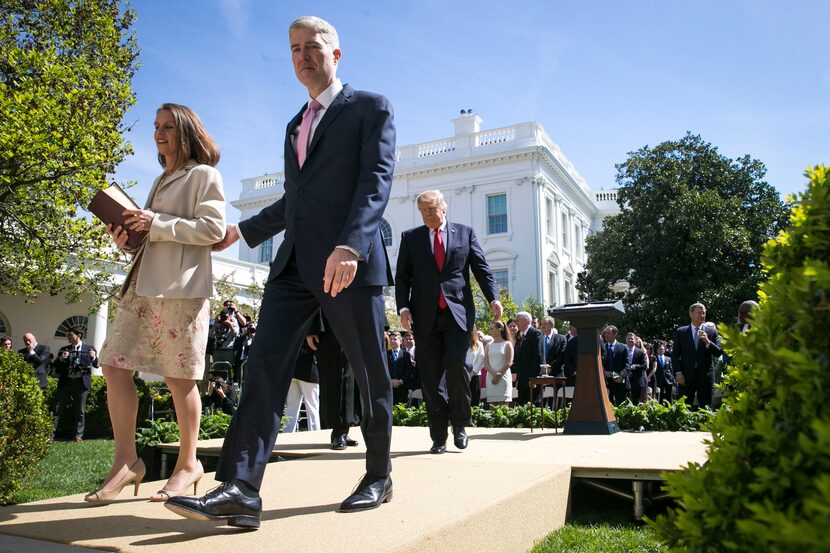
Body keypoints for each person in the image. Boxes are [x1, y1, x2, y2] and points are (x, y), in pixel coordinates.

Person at [166, 16, 397, 527]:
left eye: (312, 47)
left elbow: (376, 182)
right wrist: (243, 231)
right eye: (294, 50)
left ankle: (379, 475)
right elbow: (297, 200)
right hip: (293, 266)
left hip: (347, 265)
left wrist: (351, 246)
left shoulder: (369, 108)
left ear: (337, 54)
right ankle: (241, 489)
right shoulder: (296, 123)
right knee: (263, 366)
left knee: (369, 372)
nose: (302, 57)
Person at [94, 102, 225, 504]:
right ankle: (126, 461)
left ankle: (189, 464)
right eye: (156, 126)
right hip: (142, 284)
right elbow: (151, 233)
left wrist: (156, 223)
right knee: (113, 364)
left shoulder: (204, 175)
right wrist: (128, 238)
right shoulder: (160, 178)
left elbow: (213, 228)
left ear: (186, 131)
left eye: (168, 126)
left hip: (183, 289)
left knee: (178, 378)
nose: (159, 133)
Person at [395, 189, 502, 454]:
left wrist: (493, 299)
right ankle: (438, 435)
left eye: (433, 209)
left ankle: (461, 425)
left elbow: (481, 269)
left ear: (444, 208)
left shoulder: (464, 233)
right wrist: (403, 308)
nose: (429, 215)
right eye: (424, 211)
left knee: (456, 367)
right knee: (430, 378)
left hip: (458, 314)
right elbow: (402, 278)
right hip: (425, 316)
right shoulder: (411, 238)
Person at [307, 311, 361, 450]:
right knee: (335, 377)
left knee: (351, 381)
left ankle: (344, 429)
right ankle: (338, 431)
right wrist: (311, 329)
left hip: (354, 324)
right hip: (329, 327)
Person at [671, 303, 723, 410]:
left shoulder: (711, 331)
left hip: (705, 378)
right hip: (686, 377)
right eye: (699, 313)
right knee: (685, 408)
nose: (702, 315)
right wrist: (678, 372)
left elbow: (718, 352)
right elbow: (675, 355)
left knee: (706, 408)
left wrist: (707, 341)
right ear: (691, 313)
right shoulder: (681, 332)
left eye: (704, 313)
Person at [52, 327, 98, 442]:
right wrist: (62, 358)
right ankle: (50, 435)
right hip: (65, 383)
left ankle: (78, 436)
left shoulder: (89, 348)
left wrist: (93, 356)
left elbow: (97, 364)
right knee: (57, 409)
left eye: (70, 335)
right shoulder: (64, 349)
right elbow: (56, 366)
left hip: (81, 384)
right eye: (67, 335)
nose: (68, 337)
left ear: (78, 335)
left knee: (80, 411)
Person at [283, 342, 321, 432]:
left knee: (291, 407)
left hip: (293, 368)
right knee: (312, 407)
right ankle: (315, 435)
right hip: (309, 370)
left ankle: (287, 435)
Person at [513, 312, 543, 405]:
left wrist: (534, 378)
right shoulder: (521, 336)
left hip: (531, 379)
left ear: (526, 320)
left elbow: (538, 357)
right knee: (522, 406)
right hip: (522, 380)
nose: (515, 323)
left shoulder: (535, 333)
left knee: (533, 406)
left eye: (517, 320)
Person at [483, 322, 513, 404]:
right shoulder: (488, 345)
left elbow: (509, 362)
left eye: (492, 329)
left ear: (499, 329)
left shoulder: (507, 344)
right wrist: (494, 374)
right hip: (491, 377)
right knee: (492, 407)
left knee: (503, 407)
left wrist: (499, 374)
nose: (490, 331)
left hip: (503, 377)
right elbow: (485, 362)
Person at [601, 325, 630, 405]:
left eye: (608, 333)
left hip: (620, 382)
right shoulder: (601, 347)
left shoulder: (623, 347)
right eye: (605, 333)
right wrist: (604, 372)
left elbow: (627, 365)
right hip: (607, 383)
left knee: (622, 406)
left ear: (615, 334)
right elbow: (599, 363)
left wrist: (621, 376)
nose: (606, 335)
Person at [387, 331, 417, 406]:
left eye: (395, 339)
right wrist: (389, 381)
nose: (392, 341)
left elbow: (409, 370)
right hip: (389, 387)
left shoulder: (405, 354)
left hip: (402, 388)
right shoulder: (386, 354)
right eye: (391, 339)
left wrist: (401, 381)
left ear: (400, 341)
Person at [464, 330, 489, 406]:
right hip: (461, 376)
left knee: (474, 402)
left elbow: (481, 362)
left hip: (475, 376)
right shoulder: (460, 342)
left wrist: (471, 375)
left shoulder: (479, 344)